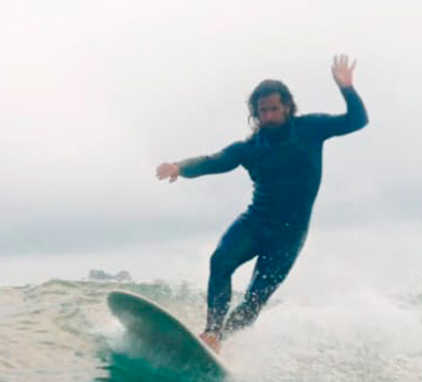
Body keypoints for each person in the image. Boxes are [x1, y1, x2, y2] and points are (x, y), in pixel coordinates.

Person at [156, 54, 368, 352]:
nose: (268, 116)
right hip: (256, 223)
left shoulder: (310, 128)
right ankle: (212, 333)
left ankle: (222, 345)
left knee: (254, 300)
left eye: (274, 109)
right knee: (220, 261)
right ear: (255, 113)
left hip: (289, 235)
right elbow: (214, 161)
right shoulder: (250, 148)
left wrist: (347, 88)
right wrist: (179, 166)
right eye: (262, 111)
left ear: (287, 107)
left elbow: (357, 121)